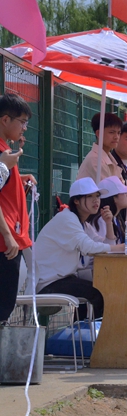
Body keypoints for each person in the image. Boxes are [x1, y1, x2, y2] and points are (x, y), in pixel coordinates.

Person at [35, 178, 126, 319]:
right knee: (98, 293)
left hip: (63, 279)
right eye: (89, 196)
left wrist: (108, 223)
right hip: (48, 284)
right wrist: (121, 247)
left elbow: (104, 247)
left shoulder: (83, 224)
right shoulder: (67, 218)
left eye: (97, 196)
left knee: (100, 289)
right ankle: (87, 331)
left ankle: (84, 330)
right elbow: (89, 247)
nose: (96, 200)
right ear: (76, 200)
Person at [0, 94, 35, 325]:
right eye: (22, 122)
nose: (24, 128)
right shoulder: (3, 154)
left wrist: (16, 178)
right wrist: (7, 235)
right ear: (5, 120)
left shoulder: (6, 152)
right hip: (5, 243)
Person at [88, 176, 127, 244]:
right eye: (124, 193)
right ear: (114, 198)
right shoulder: (102, 220)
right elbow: (107, 247)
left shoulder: (115, 218)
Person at [77, 112, 123, 182]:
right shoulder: (95, 159)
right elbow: (108, 187)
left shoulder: (108, 157)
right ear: (98, 133)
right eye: (112, 132)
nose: (116, 137)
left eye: (119, 133)